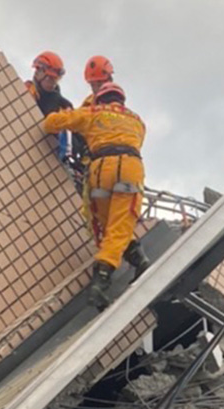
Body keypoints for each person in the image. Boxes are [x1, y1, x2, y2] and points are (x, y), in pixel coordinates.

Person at [41, 82, 151, 309]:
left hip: (100, 170)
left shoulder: (93, 112)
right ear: (121, 100)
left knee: (102, 223)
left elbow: (52, 123)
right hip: (130, 168)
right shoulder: (138, 122)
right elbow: (135, 142)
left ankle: (136, 260)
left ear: (100, 98)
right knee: (120, 223)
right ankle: (103, 279)